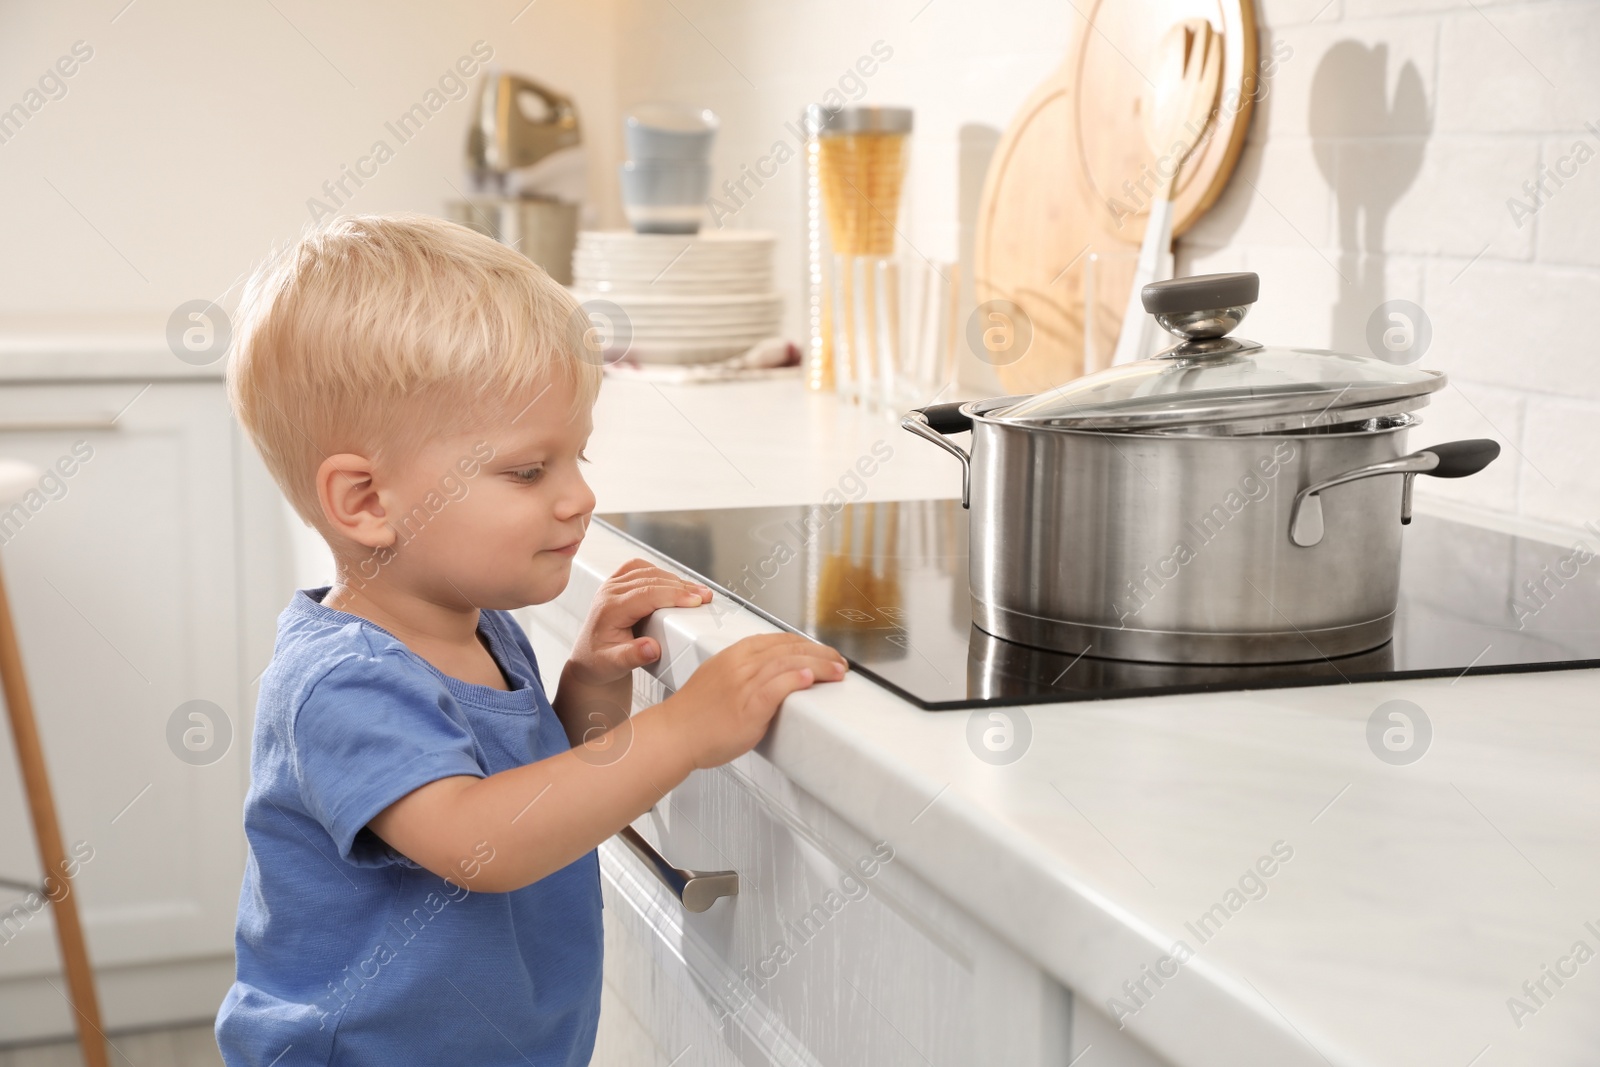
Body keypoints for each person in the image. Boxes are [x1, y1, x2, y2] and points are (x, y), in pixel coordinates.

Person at [214, 214, 848, 1064]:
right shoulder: (343, 682)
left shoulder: (477, 621)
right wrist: (682, 729)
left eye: (576, 455)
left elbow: (544, 791)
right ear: (366, 500)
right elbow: (486, 842)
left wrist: (589, 686)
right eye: (527, 470)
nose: (579, 496)